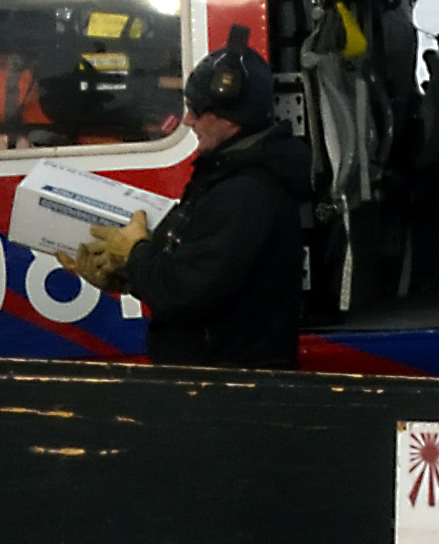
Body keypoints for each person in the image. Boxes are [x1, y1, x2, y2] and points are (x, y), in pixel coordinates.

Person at [90, 37, 314, 367]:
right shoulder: (226, 175)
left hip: (226, 390)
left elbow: (184, 294)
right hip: (213, 383)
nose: (186, 121)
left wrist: (134, 254)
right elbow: (194, 271)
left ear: (230, 118)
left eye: (195, 110)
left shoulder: (246, 194)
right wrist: (127, 275)